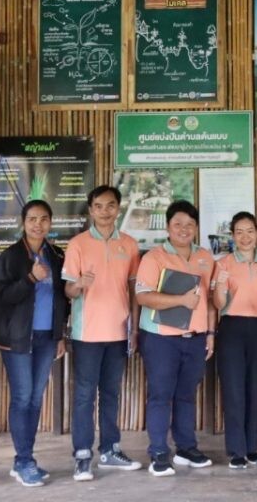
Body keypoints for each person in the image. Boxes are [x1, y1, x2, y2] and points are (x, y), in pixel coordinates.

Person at [61, 185, 142, 481]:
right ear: (90, 210)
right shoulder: (78, 244)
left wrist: (133, 328)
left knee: (111, 394)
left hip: (119, 331)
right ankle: (83, 455)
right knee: (84, 396)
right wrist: (79, 284)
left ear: (117, 209)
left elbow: (134, 290)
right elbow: (68, 290)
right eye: (98, 206)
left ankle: (110, 450)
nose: (105, 211)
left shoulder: (130, 245)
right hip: (86, 334)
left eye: (110, 206)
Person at [135, 200, 216, 477]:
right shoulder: (154, 257)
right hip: (161, 338)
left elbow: (209, 301)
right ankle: (158, 451)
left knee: (186, 395)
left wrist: (210, 333)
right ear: (168, 227)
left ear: (196, 228)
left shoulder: (205, 257)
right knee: (160, 395)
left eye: (190, 224)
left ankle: (185, 448)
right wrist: (180, 299)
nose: (184, 229)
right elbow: (142, 296)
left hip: (194, 338)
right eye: (178, 224)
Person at [0, 200, 69, 487]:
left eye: (44, 219)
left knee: (36, 398)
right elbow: (0, 296)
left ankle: (24, 458)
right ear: (23, 223)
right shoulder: (11, 256)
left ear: (51, 222)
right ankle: (24, 460)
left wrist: (60, 335)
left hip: (47, 336)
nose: (38, 224)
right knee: (23, 397)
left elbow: (62, 299)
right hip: (18, 338)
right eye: (32, 219)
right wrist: (29, 278)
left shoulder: (57, 255)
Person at [211, 211, 257, 470]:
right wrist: (219, 287)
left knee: (254, 389)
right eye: (239, 232)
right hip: (231, 328)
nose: (245, 237)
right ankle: (236, 450)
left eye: (250, 231)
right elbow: (218, 304)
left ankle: (252, 448)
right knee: (234, 389)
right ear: (233, 236)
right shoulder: (224, 264)